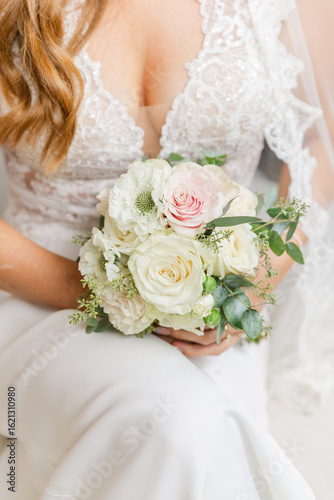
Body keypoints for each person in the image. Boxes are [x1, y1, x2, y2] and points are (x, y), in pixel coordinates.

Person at [0, 1, 333, 498]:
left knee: (208, 428)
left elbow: (318, 140)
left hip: (214, 320)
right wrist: (113, 294)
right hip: (36, 296)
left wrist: (259, 278)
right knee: (184, 423)